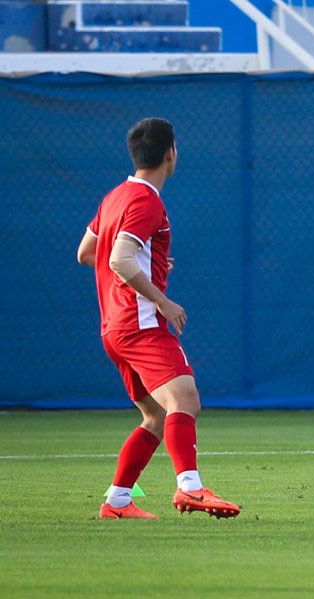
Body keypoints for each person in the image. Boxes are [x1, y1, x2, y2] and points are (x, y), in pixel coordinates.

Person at [76, 118, 240, 519]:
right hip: (140, 322)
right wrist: (161, 299)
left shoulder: (116, 196)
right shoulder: (147, 200)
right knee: (185, 399)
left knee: (156, 415)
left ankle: (116, 502)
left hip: (113, 327)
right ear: (171, 154)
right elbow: (118, 259)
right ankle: (191, 488)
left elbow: (86, 252)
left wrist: (147, 261)